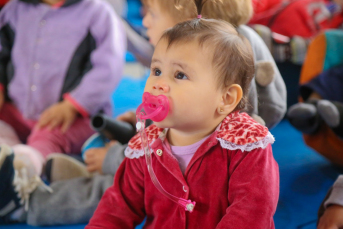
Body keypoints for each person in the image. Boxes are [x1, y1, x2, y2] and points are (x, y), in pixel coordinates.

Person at [87, 3, 279, 228]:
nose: (159, 84)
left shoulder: (247, 147)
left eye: (180, 75)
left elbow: (251, 213)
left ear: (226, 99)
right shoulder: (144, 147)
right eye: (156, 71)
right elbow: (116, 208)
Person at [0, 0, 126, 223]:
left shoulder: (97, 14)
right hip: (16, 109)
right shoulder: (14, 10)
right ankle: (5, 154)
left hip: (74, 117)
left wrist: (73, 104)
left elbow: (108, 66)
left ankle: (23, 170)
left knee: (48, 136)